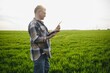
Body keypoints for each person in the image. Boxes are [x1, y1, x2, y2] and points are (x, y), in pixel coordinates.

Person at [28, 5, 60, 73]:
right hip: (39, 54)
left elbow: (46, 35)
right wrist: (49, 37)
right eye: (44, 13)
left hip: (45, 52)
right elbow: (36, 39)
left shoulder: (41, 24)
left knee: (46, 69)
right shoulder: (33, 24)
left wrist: (55, 30)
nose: (45, 15)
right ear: (39, 12)